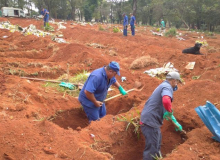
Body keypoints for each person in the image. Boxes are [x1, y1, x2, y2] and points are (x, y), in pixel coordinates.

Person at [140, 71, 182, 160]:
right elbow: (166, 100)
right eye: (177, 82)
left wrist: (172, 118)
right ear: (174, 81)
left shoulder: (163, 85)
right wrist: (169, 112)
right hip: (150, 121)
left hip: (151, 120)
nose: (177, 84)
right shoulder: (167, 87)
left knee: (157, 145)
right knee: (152, 150)